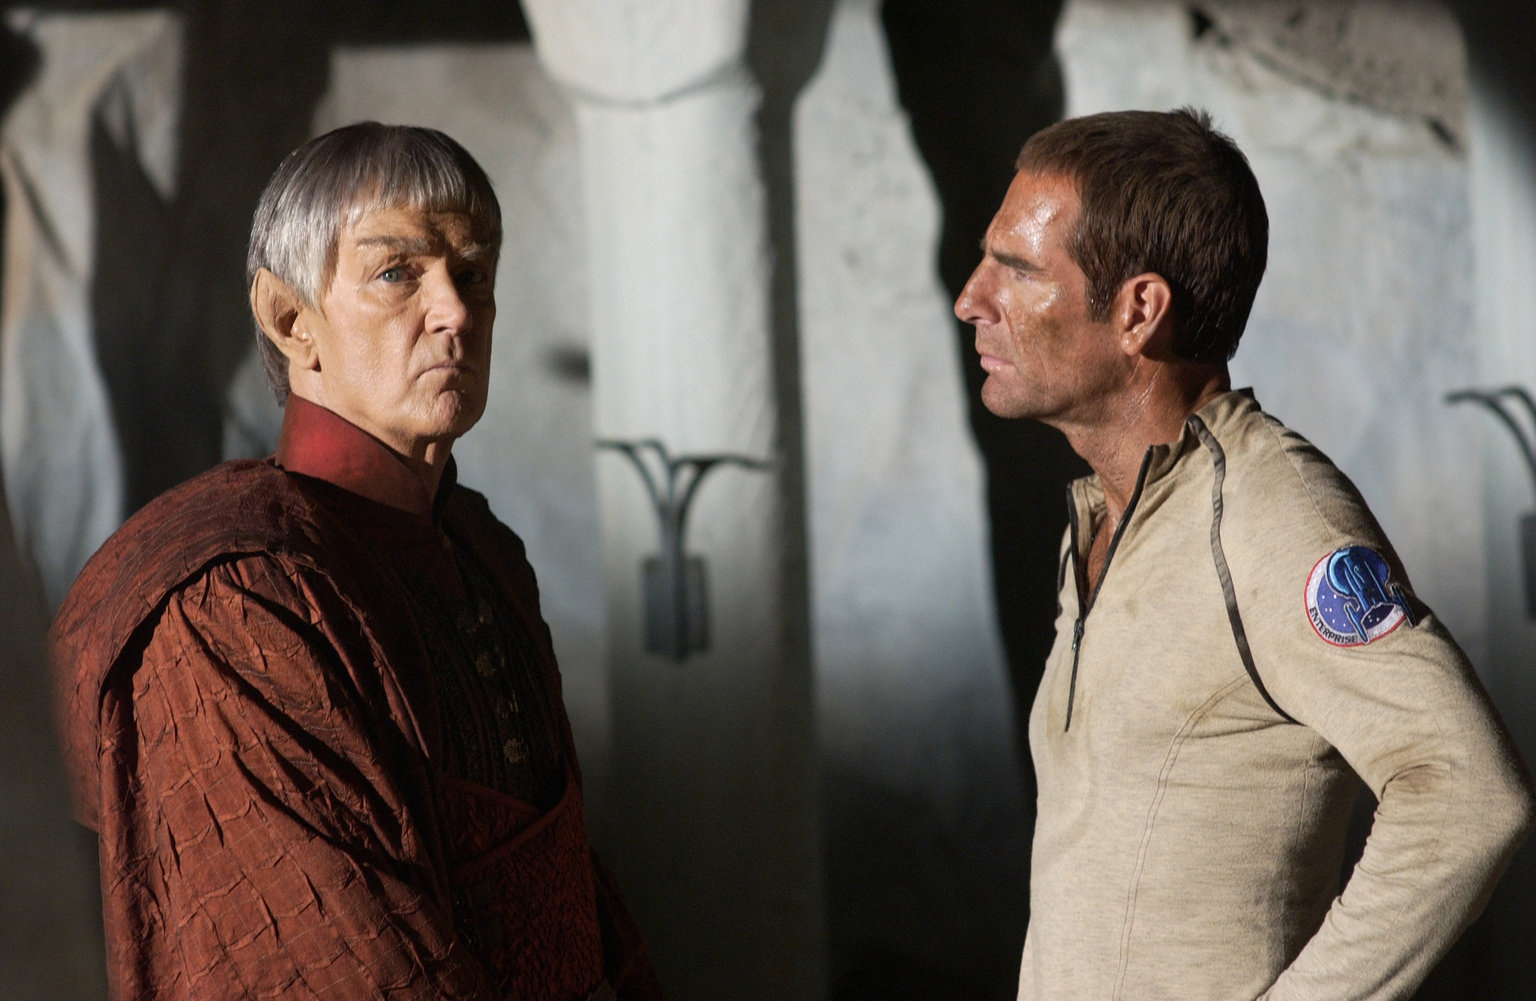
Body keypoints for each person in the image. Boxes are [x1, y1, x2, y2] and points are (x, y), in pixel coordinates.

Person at [50, 122, 662, 1001]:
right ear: (291, 319)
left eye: (473, 274)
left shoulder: (482, 547)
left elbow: (570, 889)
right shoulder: (233, 601)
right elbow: (334, 965)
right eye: (396, 272)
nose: (455, 311)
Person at [953, 107, 1535, 1001]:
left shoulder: (1273, 516)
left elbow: (1468, 794)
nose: (972, 299)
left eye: (1018, 268)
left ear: (1139, 311)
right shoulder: (1108, 514)